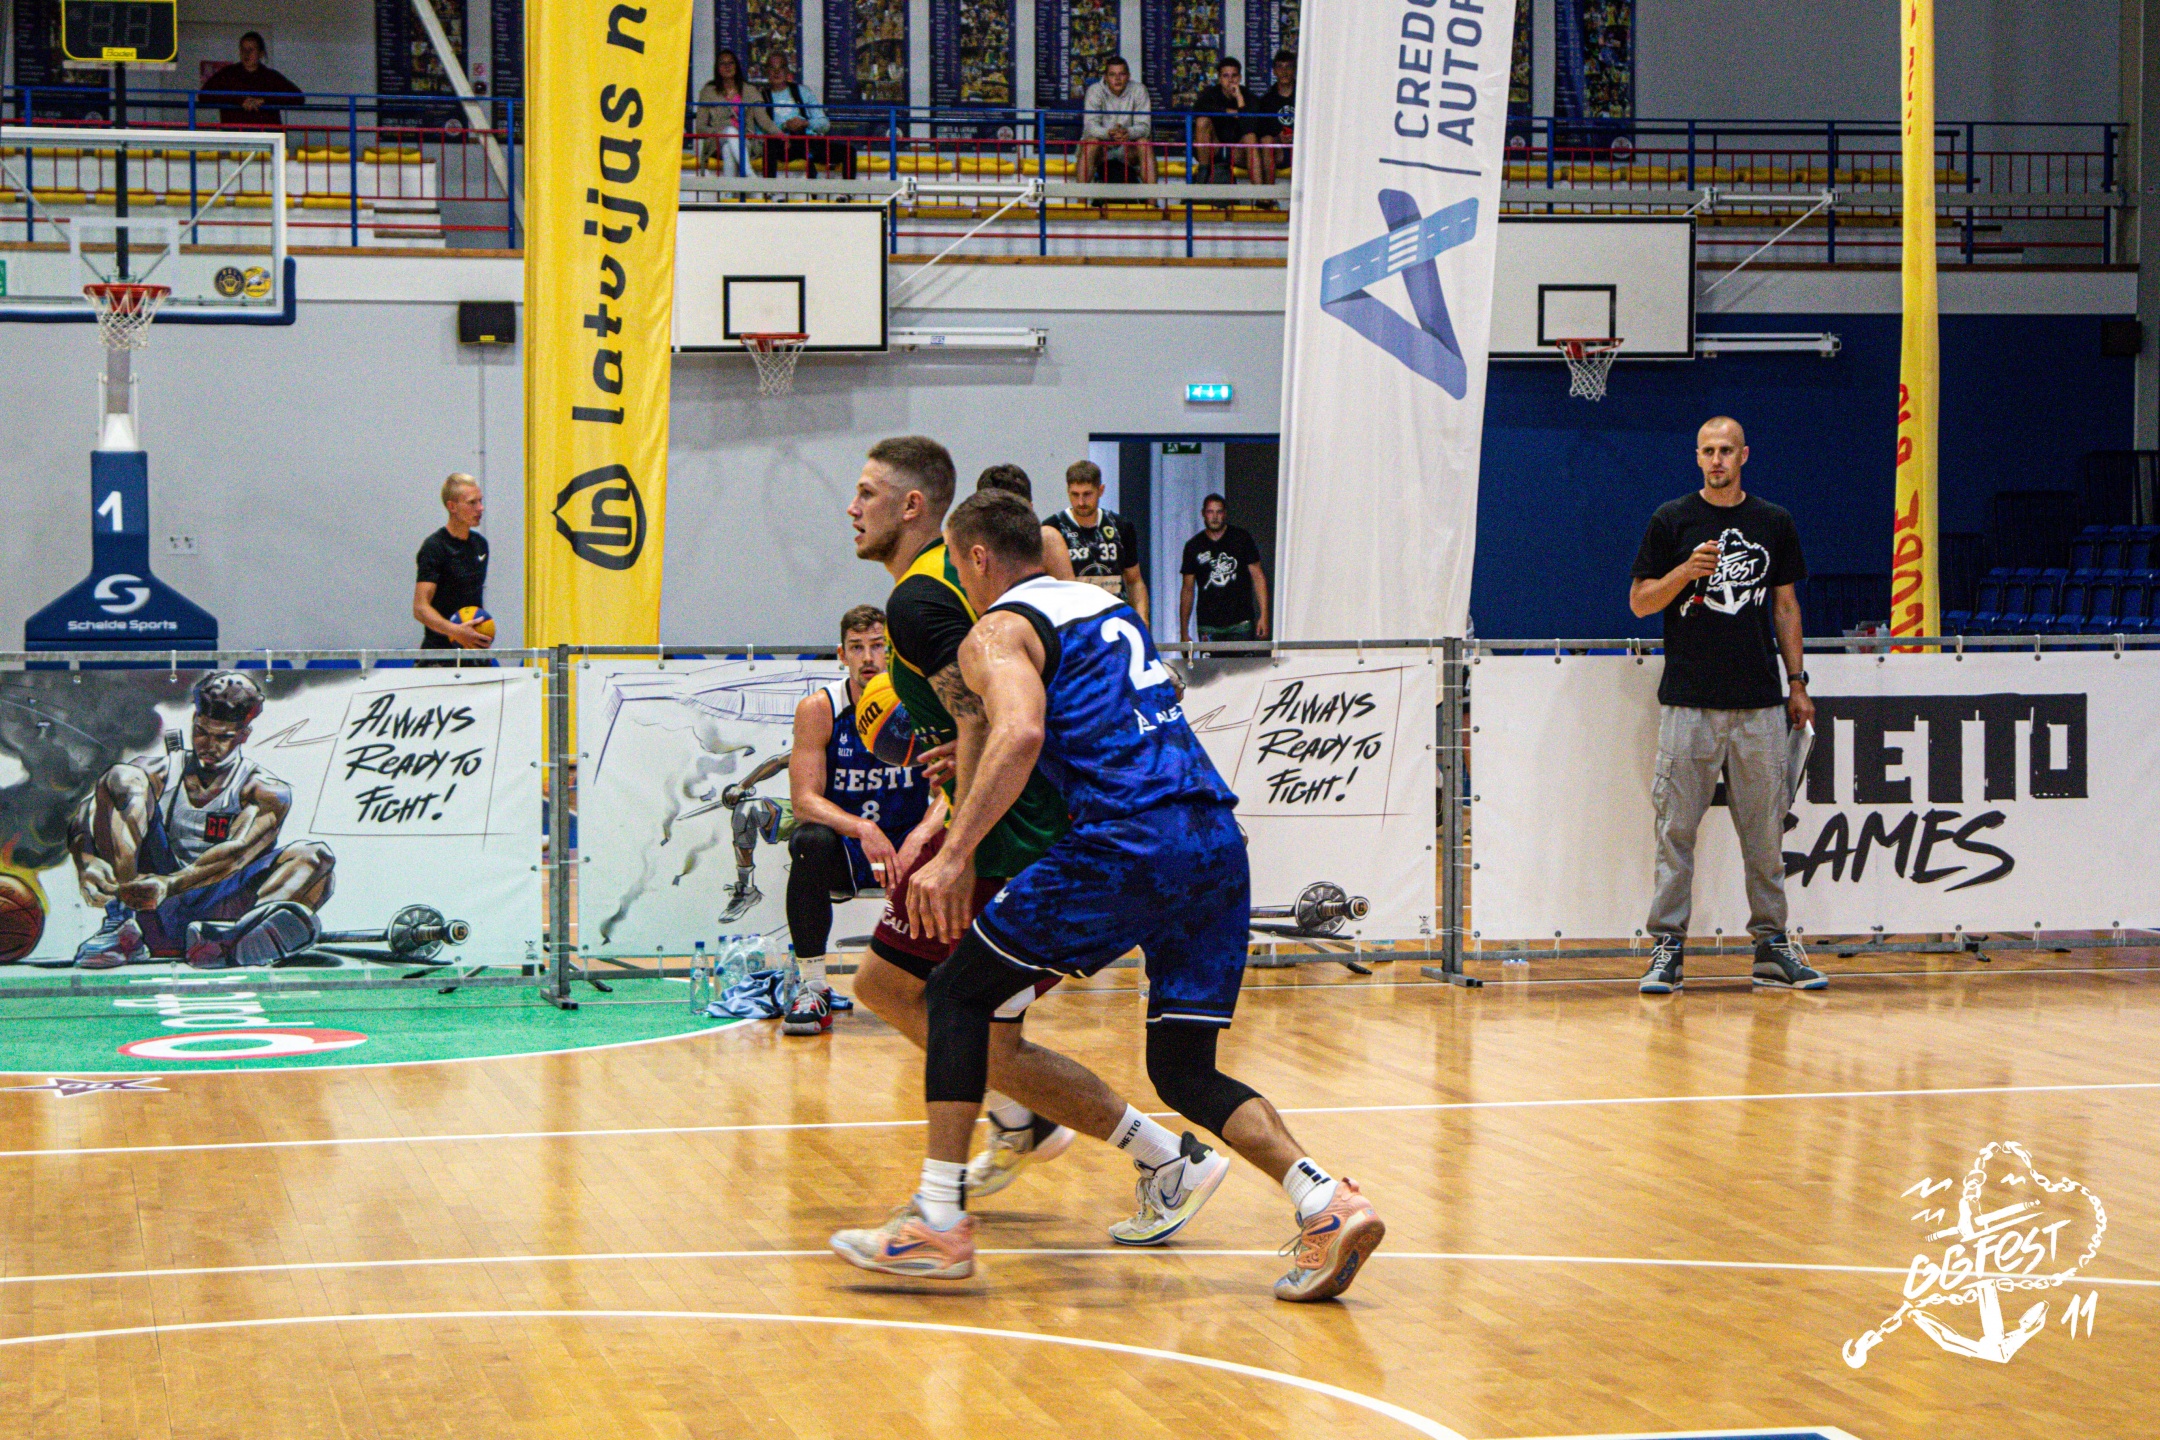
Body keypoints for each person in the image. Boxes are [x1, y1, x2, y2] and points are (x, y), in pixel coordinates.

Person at [831, 489, 1384, 1300]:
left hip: (1126, 840)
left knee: (955, 994)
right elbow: (1110, 716)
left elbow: (1019, 731)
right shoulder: (1108, 608)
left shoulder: (997, 630)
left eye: (959, 566)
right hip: (1213, 837)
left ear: (977, 558)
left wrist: (956, 853)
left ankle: (939, 1223)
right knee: (1182, 1069)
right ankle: (1325, 1200)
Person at [843, 436, 1202, 1212]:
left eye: (867, 493)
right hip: (1022, 819)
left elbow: (984, 719)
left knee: (940, 1008)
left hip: (1017, 834)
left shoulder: (918, 597)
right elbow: (991, 705)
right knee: (911, 997)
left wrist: (955, 846)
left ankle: (967, 1193)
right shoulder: (974, 573)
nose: (852, 507)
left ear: (914, 506)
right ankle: (1038, 1129)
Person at [1627, 416, 1825, 995]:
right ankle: (1668, 947)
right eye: (1708, 450)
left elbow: (1785, 606)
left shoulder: (1773, 521)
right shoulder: (1671, 520)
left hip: (1759, 704)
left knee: (1765, 835)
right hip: (1689, 703)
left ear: (1744, 456)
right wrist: (1685, 572)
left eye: (1726, 450)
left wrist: (1797, 682)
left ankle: (1772, 946)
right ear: (1697, 457)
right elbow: (1640, 602)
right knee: (1676, 832)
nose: (1717, 460)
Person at [65, 672, 336, 970]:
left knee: (315, 857)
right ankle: (122, 929)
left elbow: (236, 854)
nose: (209, 745)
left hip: (216, 910)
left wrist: (170, 884)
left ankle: (230, 940)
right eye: (202, 732)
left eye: (223, 737)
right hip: (151, 905)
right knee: (121, 777)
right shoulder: (158, 772)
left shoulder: (265, 790)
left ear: (244, 735)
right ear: (194, 721)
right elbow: (87, 813)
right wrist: (86, 860)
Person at [778, 605, 945, 1036]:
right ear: (842, 655)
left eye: (877, 646)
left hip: (909, 845)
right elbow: (804, 801)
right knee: (809, 840)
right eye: (857, 647)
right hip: (851, 848)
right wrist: (862, 828)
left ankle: (945, 981)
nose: (868, 658)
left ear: (892, 652)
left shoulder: (924, 702)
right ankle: (812, 986)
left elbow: (956, 788)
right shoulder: (820, 708)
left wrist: (924, 832)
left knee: (958, 838)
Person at [1047, 460, 1148, 623]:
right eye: (1075, 494)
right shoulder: (1053, 529)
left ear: (1100, 490)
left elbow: (1134, 581)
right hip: (1072, 623)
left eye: (1087, 494)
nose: (1081, 502)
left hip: (1115, 620)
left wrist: (1142, 621)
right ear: (1067, 491)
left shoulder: (1120, 526)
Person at [413, 474, 493, 659]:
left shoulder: (480, 545)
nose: (480, 508)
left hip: (472, 650)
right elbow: (420, 608)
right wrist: (455, 631)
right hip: (439, 655)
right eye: (472, 502)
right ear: (452, 507)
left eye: (480, 501)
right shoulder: (435, 547)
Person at [1179, 493, 1268, 642]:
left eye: (1219, 512)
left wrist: (1264, 615)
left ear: (1225, 513)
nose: (1215, 517)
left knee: (1244, 659)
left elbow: (1258, 577)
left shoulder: (1241, 538)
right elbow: (1187, 590)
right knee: (1210, 660)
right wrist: (1184, 632)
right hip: (1209, 624)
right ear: (1203, 514)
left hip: (1241, 622)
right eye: (1210, 512)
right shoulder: (1194, 546)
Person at [755, 56, 854, 180]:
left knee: (849, 152)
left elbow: (824, 124)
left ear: (787, 71)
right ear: (766, 71)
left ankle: (847, 191)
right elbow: (758, 132)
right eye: (772, 68)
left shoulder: (803, 92)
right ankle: (770, 189)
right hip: (781, 145)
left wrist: (805, 123)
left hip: (807, 141)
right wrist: (784, 128)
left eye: (781, 67)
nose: (777, 72)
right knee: (769, 146)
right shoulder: (761, 97)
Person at [975, 464, 1077, 582]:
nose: (1004, 524)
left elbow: (1068, 591)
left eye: (1012, 514)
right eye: (996, 516)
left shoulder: (1046, 540)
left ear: (1030, 510)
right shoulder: (970, 545)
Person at [198, 32, 304, 130]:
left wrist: (264, 100)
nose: (246, 54)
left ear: (261, 53)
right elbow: (203, 95)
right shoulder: (227, 74)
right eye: (243, 49)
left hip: (266, 137)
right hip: (235, 136)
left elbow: (298, 97)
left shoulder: (271, 77)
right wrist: (238, 100)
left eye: (251, 49)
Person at [1191, 57, 1269, 187]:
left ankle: (1260, 195)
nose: (1230, 80)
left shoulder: (1249, 96)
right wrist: (1229, 112)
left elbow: (1250, 126)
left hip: (1238, 152)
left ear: (1240, 78)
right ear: (1219, 78)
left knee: (1251, 137)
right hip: (1214, 149)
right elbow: (1197, 110)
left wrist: (1239, 98)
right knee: (1202, 121)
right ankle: (1202, 176)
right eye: (1225, 76)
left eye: (1234, 76)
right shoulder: (1210, 94)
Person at [1078, 57, 1155, 185]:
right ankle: (1080, 198)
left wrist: (1128, 132)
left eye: (1122, 74)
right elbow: (1090, 126)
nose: (1117, 79)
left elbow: (1144, 127)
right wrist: (1109, 133)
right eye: (1112, 74)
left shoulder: (1139, 90)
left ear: (1128, 76)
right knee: (1091, 143)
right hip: (1102, 147)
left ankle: (1152, 198)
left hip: (1128, 147)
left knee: (1144, 143)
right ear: (1105, 77)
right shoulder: (1095, 90)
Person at [693, 48, 756, 175]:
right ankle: (750, 174)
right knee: (731, 132)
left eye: (730, 63)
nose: (727, 66)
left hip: (743, 140)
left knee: (728, 148)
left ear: (736, 66)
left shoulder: (748, 90)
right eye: (722, 63)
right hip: (716, 141)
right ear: (717, 68)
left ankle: (729, 188)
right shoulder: (708, 91)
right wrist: (719, 132)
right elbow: (700, 127)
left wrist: (780, 134)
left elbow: (762, 118)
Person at [1253, 50, 1296, 175]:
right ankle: (1267, 188)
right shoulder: (1266, 100)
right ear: (1274, 71)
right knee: (1267, 141)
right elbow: (1262, 131)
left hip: (1303, 149)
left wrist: (1297, 136)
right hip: (1279, 151)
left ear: (1294, 70)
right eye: (1280, 67)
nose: (1284, 71)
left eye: (1288, 67)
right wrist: (1278, 136)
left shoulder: (1306, 97)